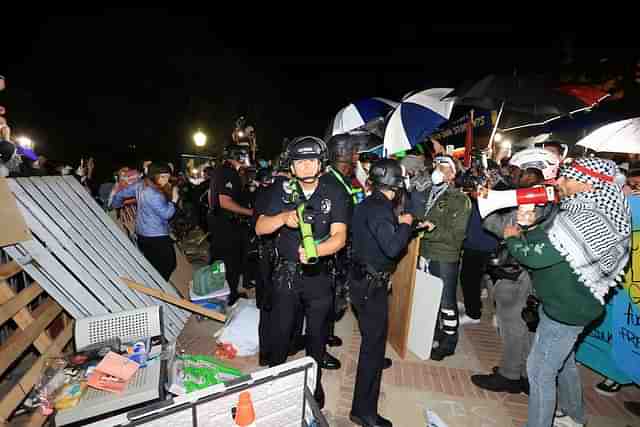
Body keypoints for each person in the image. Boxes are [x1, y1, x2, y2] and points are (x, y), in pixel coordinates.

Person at [505, 158, 631, 427]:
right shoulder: (586, 212)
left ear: (586, 183)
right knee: (564, 362)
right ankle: (575, 417)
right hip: (571, 304)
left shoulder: (585, 219)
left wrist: (513, 237)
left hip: (566, 310)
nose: (559, 182)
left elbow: (537, 258)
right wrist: (529, 226)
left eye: (566, 177)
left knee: (539, 372)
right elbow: (554, 246)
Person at [255, 136, 349, 410]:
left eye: (311, 160)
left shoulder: (335, 192)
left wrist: (316, 252)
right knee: (280, 333)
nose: (306, 166)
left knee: (317, 337)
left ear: (321, 164)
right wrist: (283, 218)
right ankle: (274, 382)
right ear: (292, 167)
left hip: (319, 277)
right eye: (300, 161)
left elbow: (340, 236)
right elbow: (260, 227)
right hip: (286, 276)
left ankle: (314, 384)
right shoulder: (279, 191)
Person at [349, 159, 421, 427]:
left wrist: (408, 226)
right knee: (372, 345)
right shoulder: (381, 208)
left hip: (361, 280)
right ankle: (363, 410)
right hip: (371, 285)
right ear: (397, 183)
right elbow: (391, 247)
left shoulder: (370, 202)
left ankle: (376, 361)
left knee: (373, 339)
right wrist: (405, 224)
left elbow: (379, 236)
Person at [420, 155, 472, 361]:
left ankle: (449, 342)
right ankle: (432, 332)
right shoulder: (431, 193)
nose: (437, 170)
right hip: (425, 252)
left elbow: (457, 235)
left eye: (443, 167)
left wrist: (432, 229)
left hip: (444, 256)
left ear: (453, 173)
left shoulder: (460, 199)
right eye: (436, 166)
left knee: (446, 301)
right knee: (429, 297)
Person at [111, 162, 179, 281]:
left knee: (153, 266)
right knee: (169, 264)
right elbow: (167, 214)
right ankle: (159, 289)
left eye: (168, 176)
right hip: (156, 236)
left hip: (142, 233)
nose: (166, 180)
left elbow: (120, 195)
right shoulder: (153, 193)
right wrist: (174, 200)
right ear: (154, 176)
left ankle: (154, 287)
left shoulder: (141, 185)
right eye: (163, 176)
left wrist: (116, 205)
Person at [208, 144, 254, 306]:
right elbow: (224, 201)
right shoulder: (228, 172)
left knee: (220, 260)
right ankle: (229, 295)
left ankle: (221, 292)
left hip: (220, 222)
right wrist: (249, 213)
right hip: (227, 224)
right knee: (231, 262)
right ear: (239, 157)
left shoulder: (221, 170)